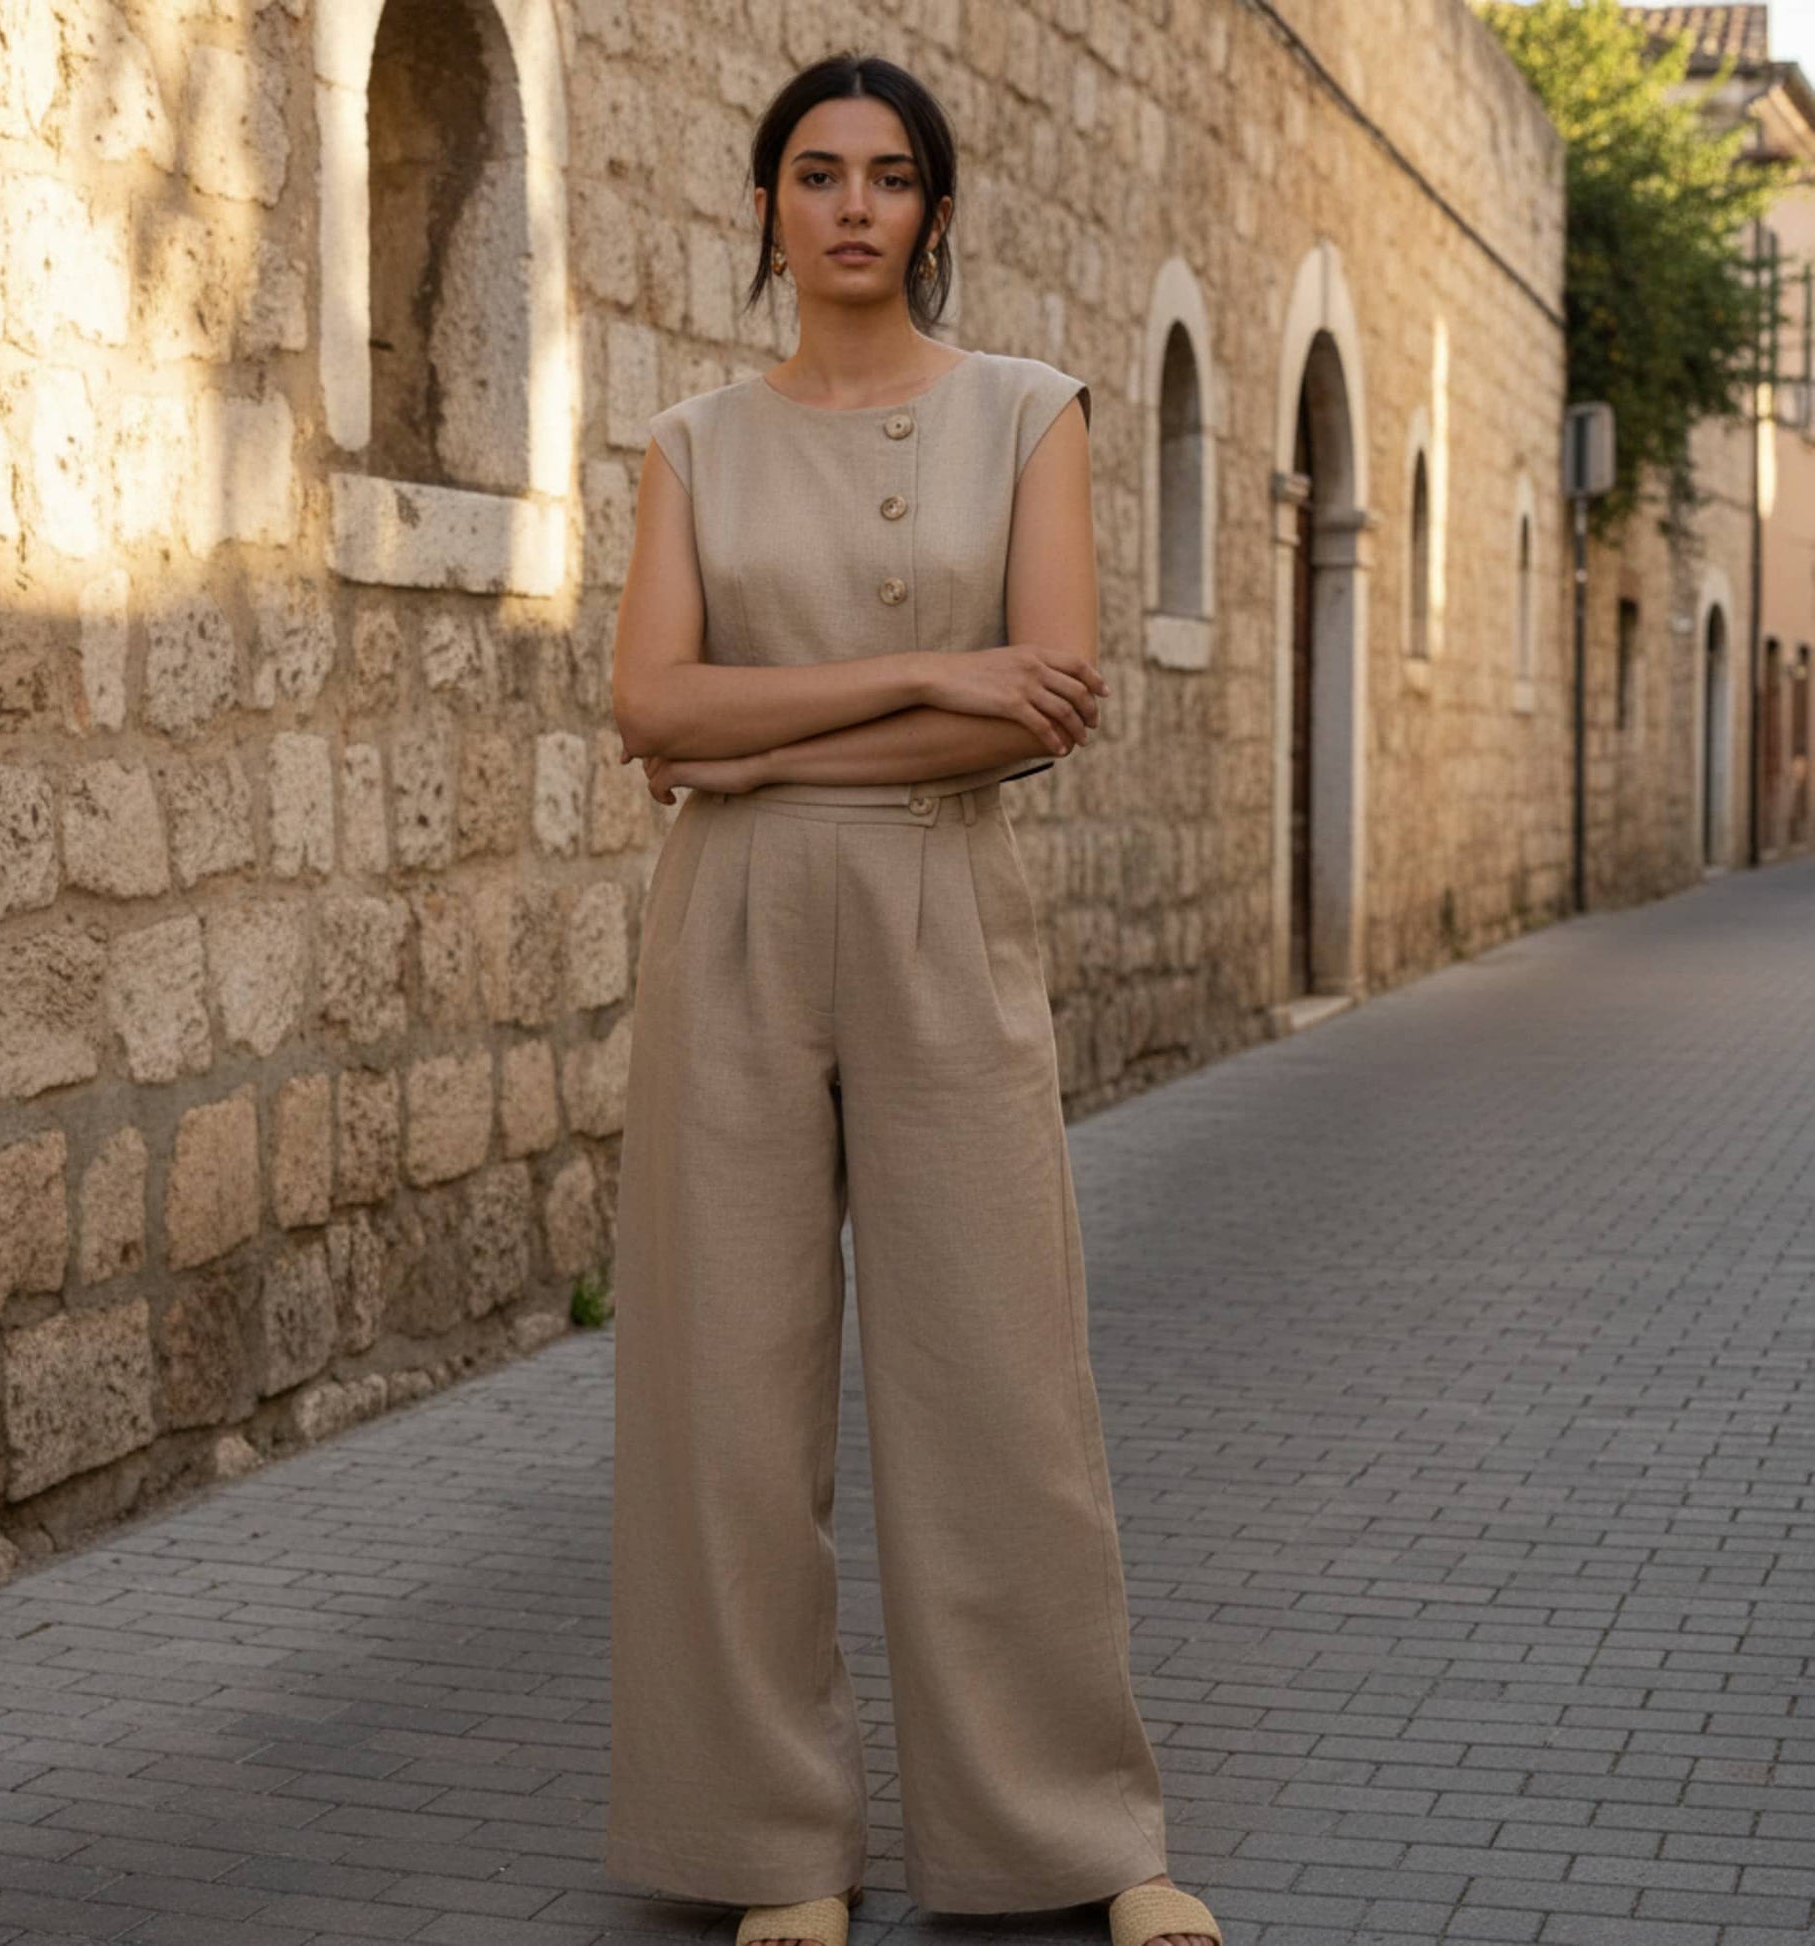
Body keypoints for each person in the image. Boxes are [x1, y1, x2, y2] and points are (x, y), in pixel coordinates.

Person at [603, 49, 1222, 1946]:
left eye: (887, 175)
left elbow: (1051, 689)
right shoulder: (693, 443)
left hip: (950, 904)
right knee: (726, 1387)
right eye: (815, 173)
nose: (852, 204)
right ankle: (768, 1846)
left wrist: (755, 733)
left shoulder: (1031, 412)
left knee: (1003, 1381)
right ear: (769, 207)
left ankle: (1078, 1838)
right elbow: (647, 709)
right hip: (734, 932)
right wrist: (933, 684)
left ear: (934, 211)